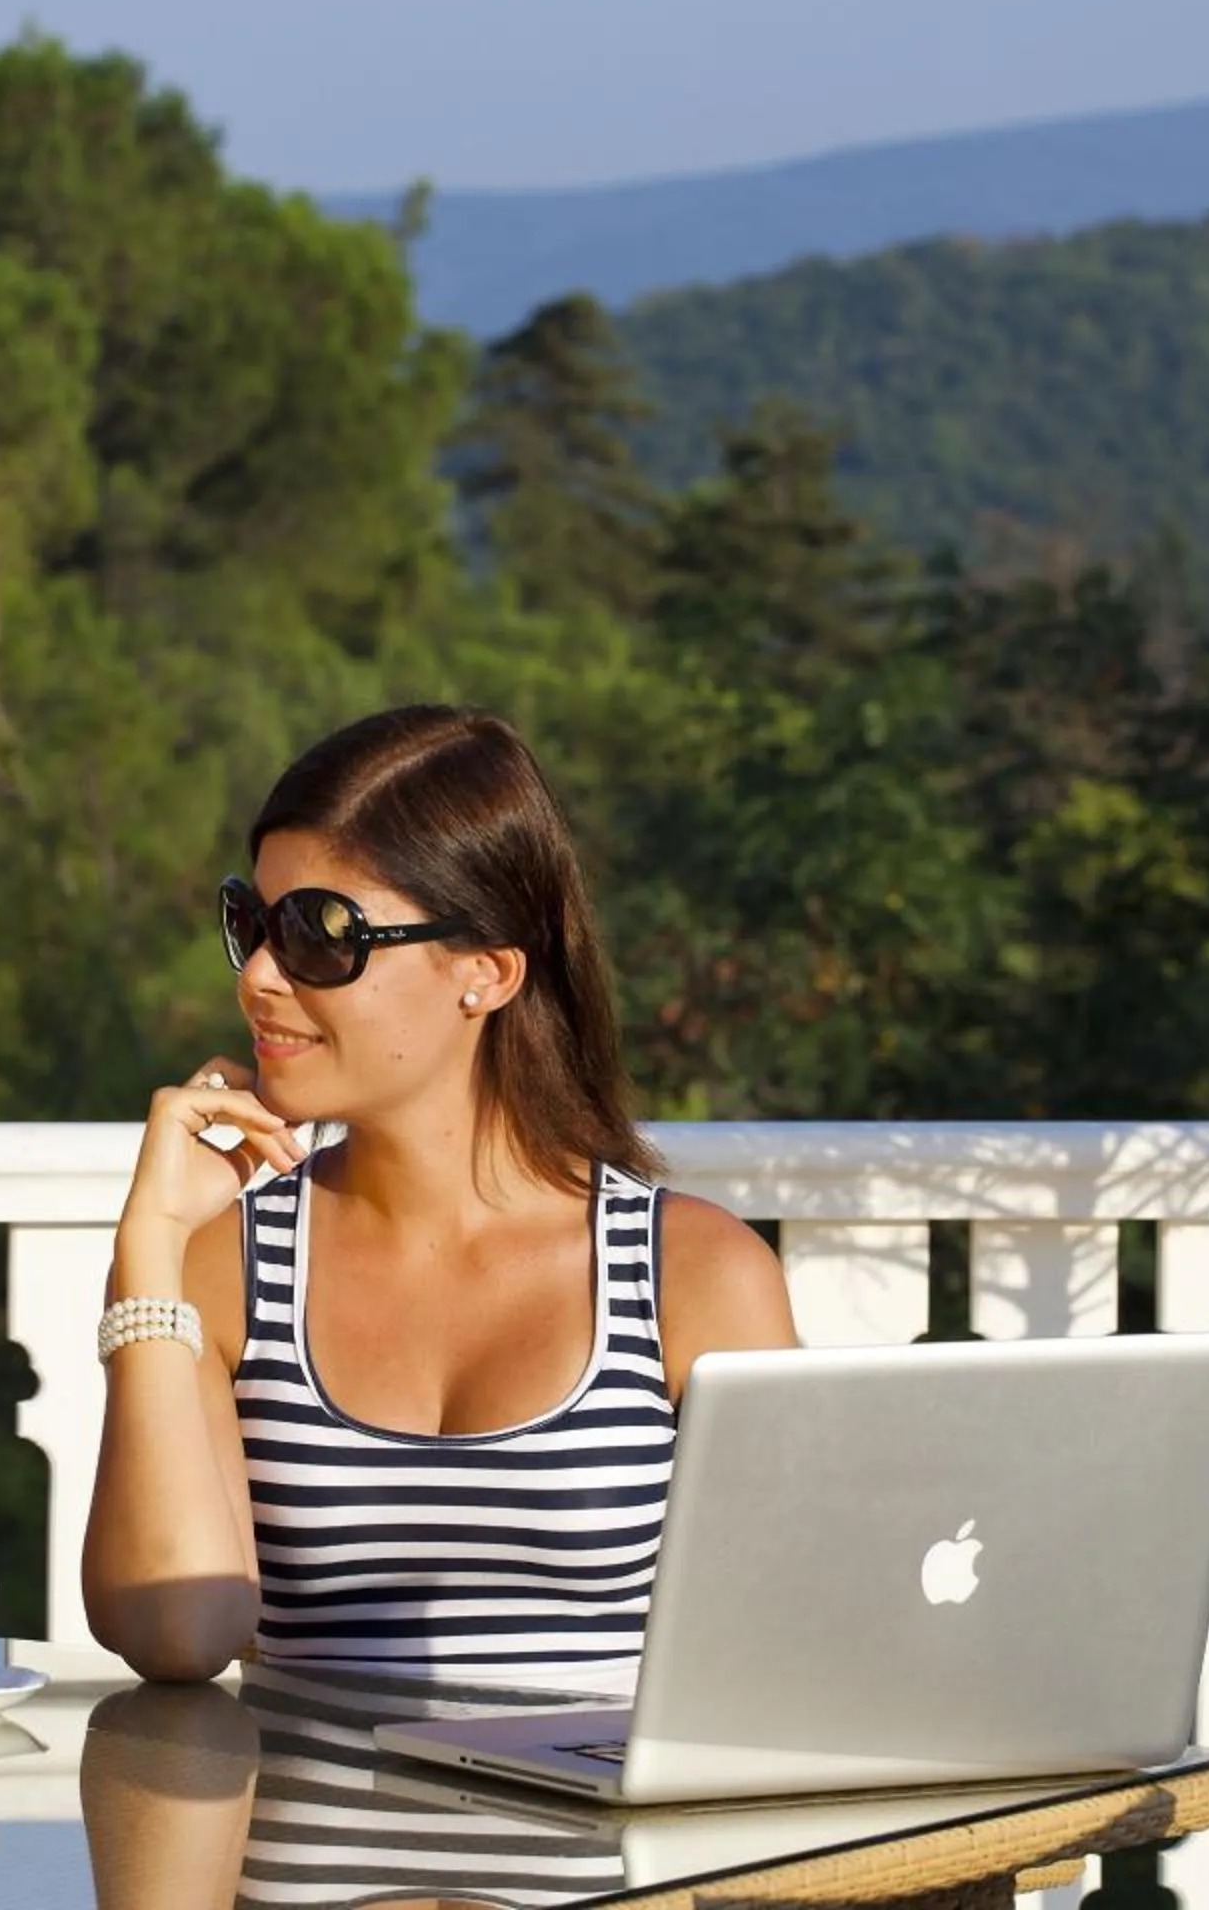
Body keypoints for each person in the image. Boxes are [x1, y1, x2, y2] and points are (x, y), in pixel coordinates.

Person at [82, 704, 800, 1693]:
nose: (257, 975)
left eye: (319, 934)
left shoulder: (692, 1276)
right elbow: (175, 1629)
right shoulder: (225, 1266)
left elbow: (788, 1647)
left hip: (605, 1850)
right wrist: (152, 1244)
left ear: (487, 973)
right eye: (252, 922)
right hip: (314, 1843)